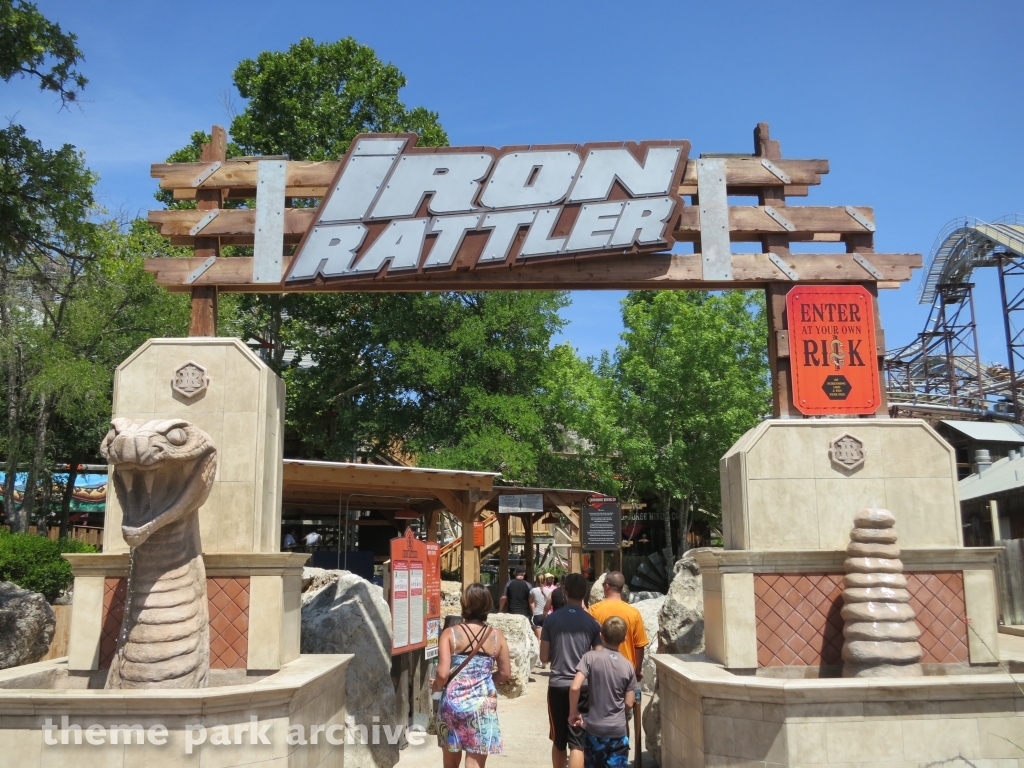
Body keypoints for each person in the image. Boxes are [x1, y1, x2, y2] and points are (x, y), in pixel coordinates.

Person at [432, 583, 512, 768]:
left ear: (464, 604)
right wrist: (484, 680)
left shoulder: (450, 634)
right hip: (482, 705)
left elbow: (443, 674)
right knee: (475, 762)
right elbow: (505, 673)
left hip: (452, 704)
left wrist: (436, 686)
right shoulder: (496, 636)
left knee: (450, 763)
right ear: (487, 605)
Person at [540, 573, 602, 768]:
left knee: (559, 740)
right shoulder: (592, 622)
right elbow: (598, 657)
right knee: (578, 741)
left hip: (558, 684)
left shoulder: (551, 620)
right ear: (585, 593)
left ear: (565, 592)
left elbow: (543, 657)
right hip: (582, 686)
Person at [569, 616, 637, 768]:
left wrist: (574, 712)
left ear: (601, 635)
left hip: (595, 729)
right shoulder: (628, 666)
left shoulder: (590, 657)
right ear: (624, 639)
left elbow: (575, 687)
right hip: (618, 731)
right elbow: (629, 702)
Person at [587, 572, 648, 684]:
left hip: (600, 670)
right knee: (628, 701)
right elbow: (639, 645)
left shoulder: (594, 611)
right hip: (626, 671)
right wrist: (637, 670)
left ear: (607, 586)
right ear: (622, 587)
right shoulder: (634, 613)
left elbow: (588, 642)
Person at [529, 573, 548, 640]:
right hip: (547, 615)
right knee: (547, 639)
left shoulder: (533, 590)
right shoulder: (549, 591)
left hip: (537, 615)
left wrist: (534, 611)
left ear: (536, 581)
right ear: (545, 580)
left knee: (539, 639)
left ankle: (539, 650)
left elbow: (531, 602)